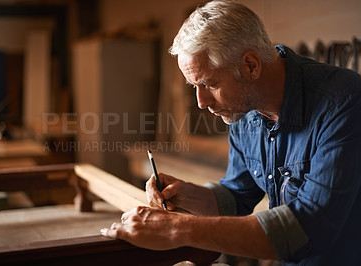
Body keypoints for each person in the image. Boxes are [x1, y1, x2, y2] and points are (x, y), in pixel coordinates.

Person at [101, 0, 361, 265]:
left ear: (250, 65)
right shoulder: (244, 111)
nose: (201, 102)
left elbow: (310, 228)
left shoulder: (342, 102)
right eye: (194, 86)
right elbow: (238, 196)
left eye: (209, 84)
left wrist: (175, 229)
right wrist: (185, 193)